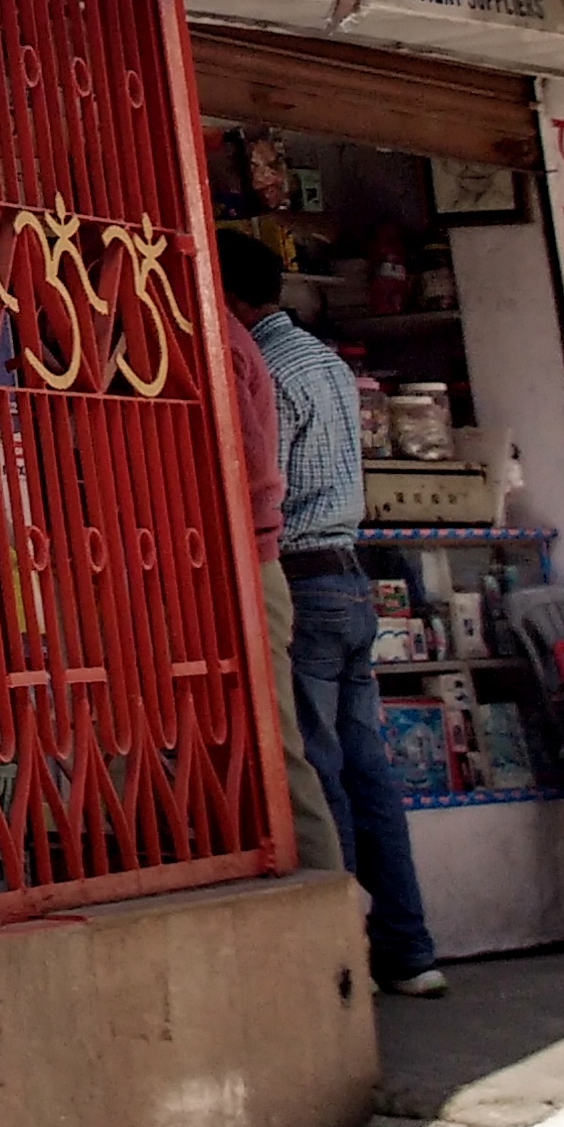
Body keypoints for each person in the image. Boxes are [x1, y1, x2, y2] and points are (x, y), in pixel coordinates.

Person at [239, 227, 445, 994]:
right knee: (369, 772)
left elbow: (265, 484)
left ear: (231, 298)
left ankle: (341, 956)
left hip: (301, 578)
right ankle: (410, 951)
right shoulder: (326, 362)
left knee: (316, 768)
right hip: (353, 579)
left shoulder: (259, 366)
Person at [216, 229, 339, 878]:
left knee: (279, 753)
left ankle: (326, 911)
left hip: (255, 562)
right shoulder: (326, 361)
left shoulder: (224, 345)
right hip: (295, 564)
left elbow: (254, 472)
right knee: (301, 753)